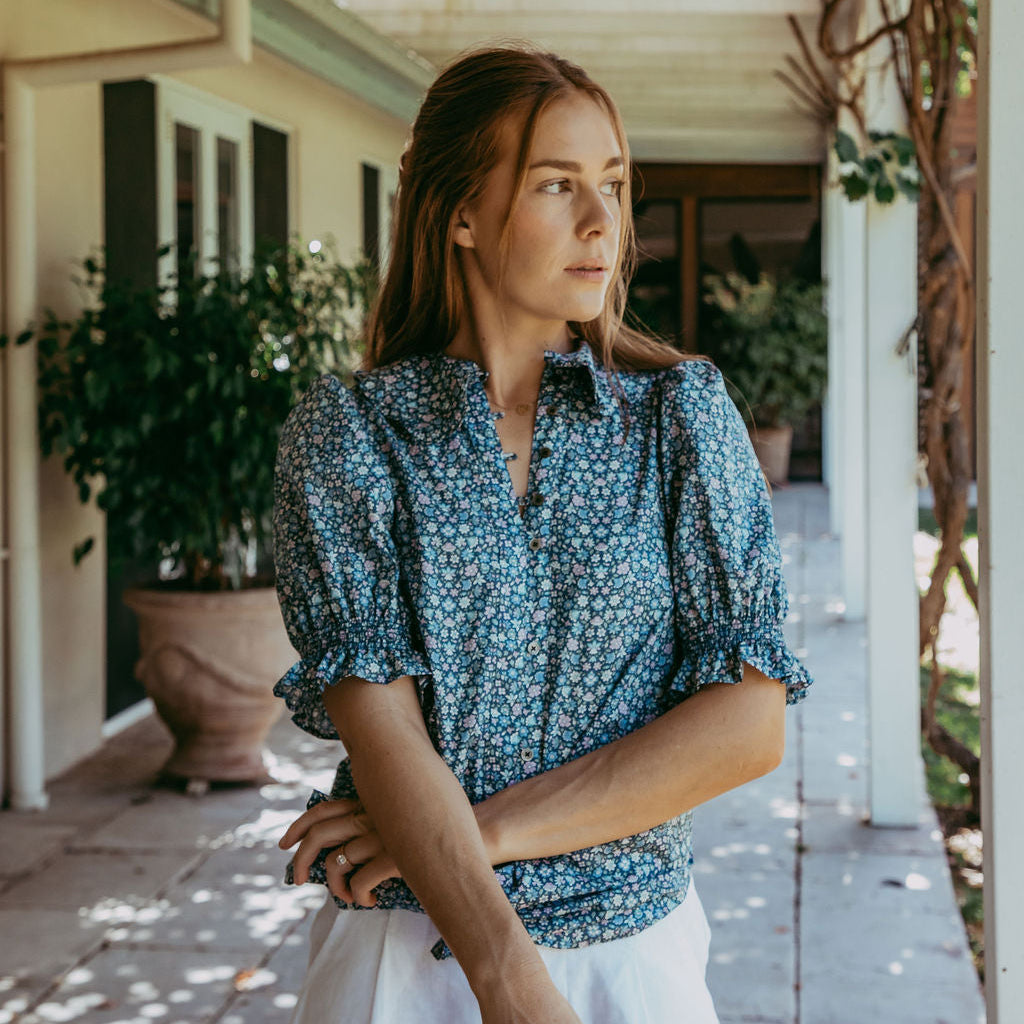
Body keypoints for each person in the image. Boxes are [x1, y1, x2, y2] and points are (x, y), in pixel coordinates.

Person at [271, 44, 813, 1024]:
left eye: (611, 182)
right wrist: (511, 980)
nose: (604, 221)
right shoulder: (351, 432)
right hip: (401, 962)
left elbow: (748, 724)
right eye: (558, 184)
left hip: (633, 955)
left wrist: (457, 834)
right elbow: (380, 725)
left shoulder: (677, 415)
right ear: (461, 213)